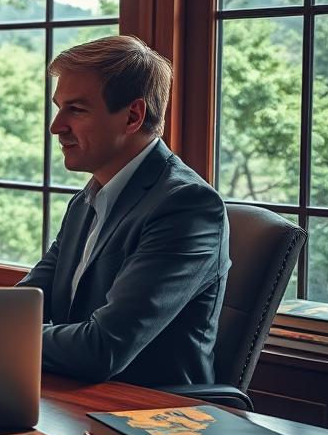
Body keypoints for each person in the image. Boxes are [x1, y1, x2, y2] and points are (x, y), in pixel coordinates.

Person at [18, 35, 230, 387]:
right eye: (59, 107)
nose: (56, 126)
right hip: (79, 394)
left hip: (147, 410)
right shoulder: (87, 199)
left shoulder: (187, 207)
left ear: (133, 116)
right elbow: (27, 303)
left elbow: (103, 348)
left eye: (77, 109)